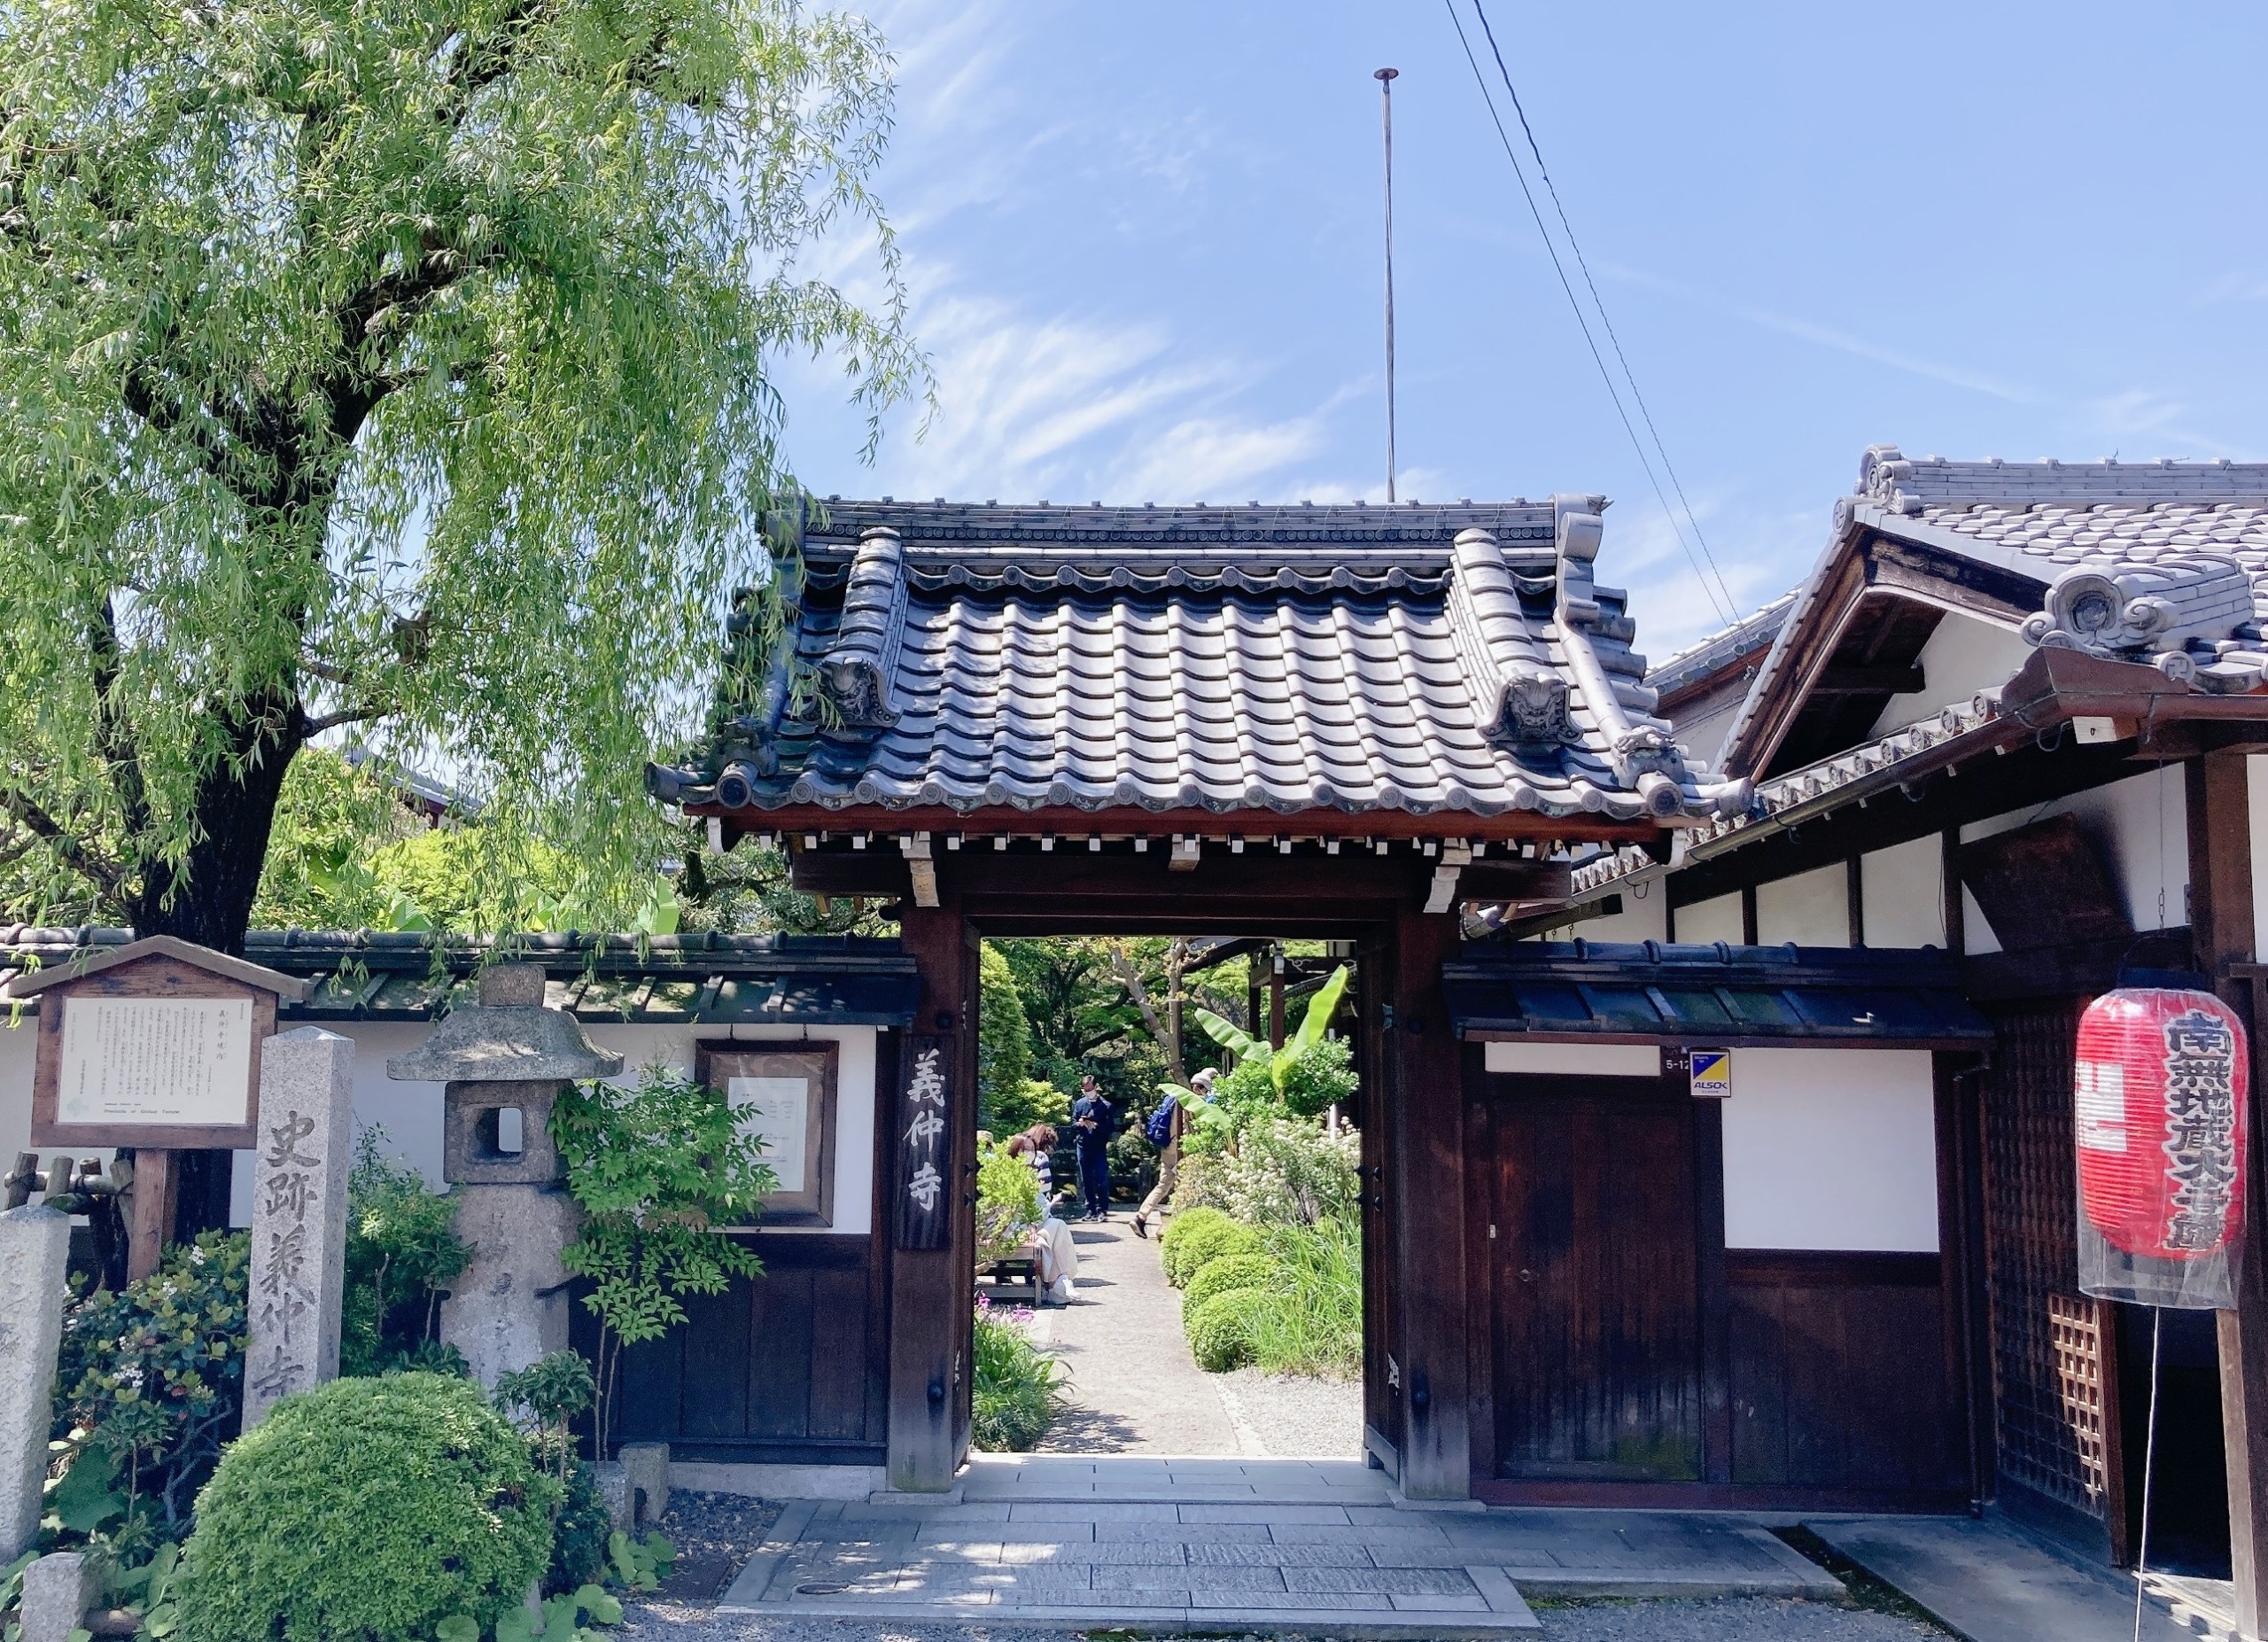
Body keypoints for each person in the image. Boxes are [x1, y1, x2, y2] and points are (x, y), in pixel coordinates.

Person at [1133, 1066, 1208, 1240]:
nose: (1204, 1095)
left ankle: (1141, 1217)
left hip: (1167, 1147)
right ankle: (1177, 1224)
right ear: (1197, 1087)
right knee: (1186, 1183)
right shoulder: (1187, 1101)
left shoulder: (1172, 1097)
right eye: (1203, 1090)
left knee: (1165, 1183)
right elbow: (1184, 1129)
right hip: (1178, 1149)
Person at [1005, 1125, 1076, 1303]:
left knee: (1058, 1225)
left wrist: (1034, 1223)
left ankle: (1061, 1280)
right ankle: (1055, 1283)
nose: (1030, 1154)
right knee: (1045, 1238)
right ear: (1016, 1151)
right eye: (1026, 1149)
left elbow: (1041, 1205)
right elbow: (1007, 1208)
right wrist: (1030, 1224)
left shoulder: (1032, 1174)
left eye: (1031, 1150)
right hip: (1010, 1227)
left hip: (1034, 1224)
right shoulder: (1005, 1173)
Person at [1070, 1074, 1116, 1221]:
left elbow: (1110, 1128)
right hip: (1082, 1145)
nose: (1086, 1090)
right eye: (1084, 1088)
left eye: (1089, 1088)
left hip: (1099, 1147)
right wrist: (1080, 1124)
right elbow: (1073, 1123)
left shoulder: (1106, 1106)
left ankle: (1103, 1209)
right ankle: (1090, 1209)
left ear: (1095, 1087)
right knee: (1086, 1179)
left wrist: (1096, 1126)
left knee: (1101, 1178)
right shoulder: (1079, 1104)